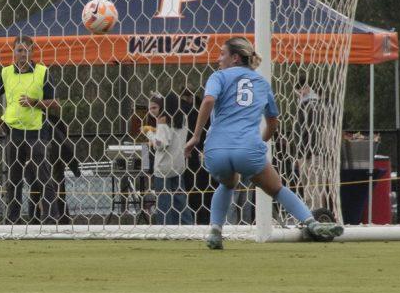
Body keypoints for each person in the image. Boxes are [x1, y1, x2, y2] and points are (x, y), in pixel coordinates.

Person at [184, 37, 344, 249]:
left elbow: (208, 100)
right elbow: (272, 122)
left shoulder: (218, 77)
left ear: (234, 58)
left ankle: (215, 231)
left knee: (227, 183)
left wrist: (195, 137)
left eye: (222, 54)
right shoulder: (261, 83)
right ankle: (311, 223)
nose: (218, 59)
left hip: (217, 149)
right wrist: (259, 142)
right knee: (277, 188)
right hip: (248, 149)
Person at [0, 36, 60, 224]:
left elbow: (55, 104)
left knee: (42, 174)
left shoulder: (43, 72)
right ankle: (12, 219)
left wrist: (34, 102)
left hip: (36, 131)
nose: (22, 54)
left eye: (26, 50)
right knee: (13, 177)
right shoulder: (5, 73)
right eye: (19, 50)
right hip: (12, 129)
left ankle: (51, 218)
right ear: (13, 53)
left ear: (32, 52)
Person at [144, 94, 192, 225]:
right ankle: (188, 227)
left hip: (163, 167)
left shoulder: (163, 120)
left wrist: (149, 134)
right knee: (180, 201)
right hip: (178, 164)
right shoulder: (183, 119)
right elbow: (174, 137)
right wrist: (156, 132)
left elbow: (161, 145)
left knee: (164, 203)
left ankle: (165, 228)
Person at [180, 89, 212, 224]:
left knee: (189, 190)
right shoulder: (202, 113)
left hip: (188, 153)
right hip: (203, 153)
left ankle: (193, 221)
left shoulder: (182, 112)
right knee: (204, 189)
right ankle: (204, 220)